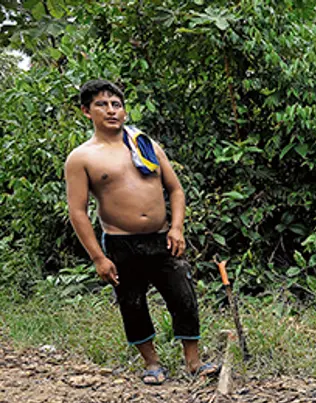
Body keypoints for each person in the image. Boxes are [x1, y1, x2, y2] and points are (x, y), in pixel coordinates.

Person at [65, 79, 217, 385]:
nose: (111, 110)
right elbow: (77, 211)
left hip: (162, 237)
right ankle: (152, 364)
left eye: (116, 104)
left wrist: (176, 227)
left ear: (124, 109)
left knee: (183, 295)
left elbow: (175, 189)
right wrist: (98, 258)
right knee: (132, 302)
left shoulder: (145, 145)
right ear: (86, 111)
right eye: (101, 104)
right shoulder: (82, 158)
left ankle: (193, 362)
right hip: (121, 243)